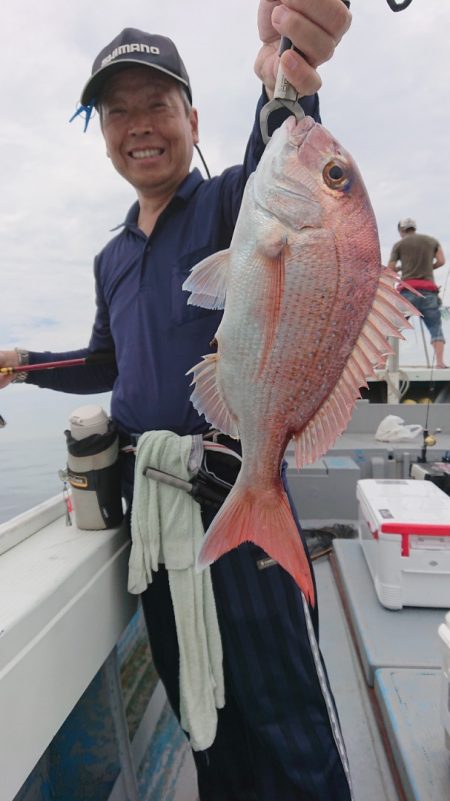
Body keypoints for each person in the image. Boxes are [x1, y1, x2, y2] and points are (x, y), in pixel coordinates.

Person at [0, 3, 354, 799]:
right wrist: (22, 365)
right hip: (156, 524)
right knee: (206, 722)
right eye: (117, 110)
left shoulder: (238, 202)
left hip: (238, 494)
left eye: (156, 104)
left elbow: (293, 155)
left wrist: (288, 68)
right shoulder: (111, 257)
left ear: (192, 117)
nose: (138, 125)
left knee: (287, 725)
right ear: (102, 133)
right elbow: (104, 361)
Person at [388, 217, 447, 368]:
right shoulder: (431, 241)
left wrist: (403, 269)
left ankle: (382, 364)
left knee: (393, 328)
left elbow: (391, 268)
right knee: (435, 328)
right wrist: (428, 268)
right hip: (429, 291)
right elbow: (441, 261)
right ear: (414, 228)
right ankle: (440, 363)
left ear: (401, 231)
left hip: (408, 291)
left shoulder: (399, 245)